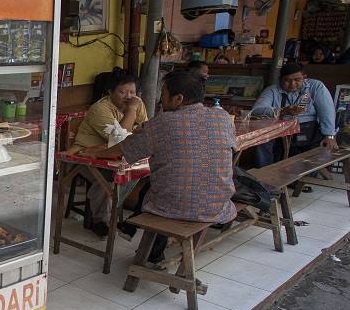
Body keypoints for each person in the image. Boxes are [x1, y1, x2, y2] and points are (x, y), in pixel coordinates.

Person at [77, 71, 236, 264]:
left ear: (178, 99)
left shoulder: (163, 122)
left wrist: (96, 152)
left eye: (164, 95)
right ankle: (144, 243)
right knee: (156, 187)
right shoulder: (223, 118)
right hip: (220, 204)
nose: (161, 100)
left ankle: (147, 248)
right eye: (122, 91)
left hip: (178, 207)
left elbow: (125, 147)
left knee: (160, 192)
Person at [69, 70, 148, 237]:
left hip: (113, 155)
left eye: (132, 92)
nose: (128, 96)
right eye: (122, 92)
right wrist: (132, 111)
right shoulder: (100, 109)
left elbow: (145, 130)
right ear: (110, 92)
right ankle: (101, 220)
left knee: (149, 171)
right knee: (109, 178)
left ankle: (134, 217)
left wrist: (134, 114)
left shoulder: (137, 103)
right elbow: (121, 139)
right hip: (83, 156)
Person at [251, 63, 338, 168]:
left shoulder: (315, 86)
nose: (292, 84)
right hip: (280, 129)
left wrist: (329, 136)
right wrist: (282, 111)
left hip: (307, 128)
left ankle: (304, 176)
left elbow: (326, 111)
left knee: (309, 156)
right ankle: (263, 173)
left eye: (297, 80)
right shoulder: (273, 90)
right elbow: (256, 110)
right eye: (287, 80)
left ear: (304, 78)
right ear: (280, 79)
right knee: (262, 140)